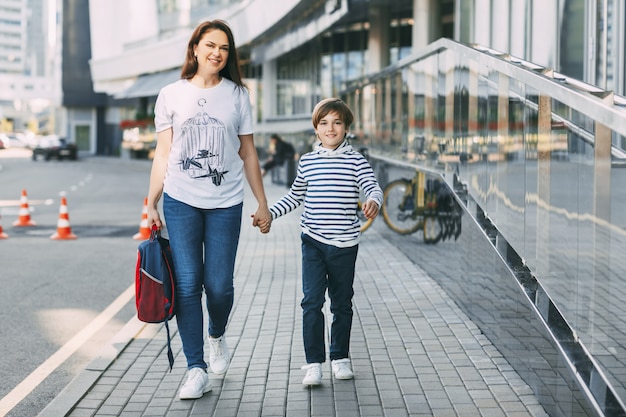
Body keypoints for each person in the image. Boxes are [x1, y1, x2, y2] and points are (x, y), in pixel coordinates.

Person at [146, 19, 271, 400]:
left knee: (218, 287)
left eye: (224, 48)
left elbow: (247, 152)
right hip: (181, 200)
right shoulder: (170, 94)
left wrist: (262, 202)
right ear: (195, 48)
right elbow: (164, 153)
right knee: (187, 285)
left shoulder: (237, 95)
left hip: (226, 203)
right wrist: (151, 200)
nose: (217, 53)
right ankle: (195, 368)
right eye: (211, 45)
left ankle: (216, 334)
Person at [255, 98, 383, 385]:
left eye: (337, 122)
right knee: (311, 302)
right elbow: (295, 195)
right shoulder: (308, 162)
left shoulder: (356, 161)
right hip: (312, 241)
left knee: (341, 303)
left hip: (344, 245)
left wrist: (373, 200)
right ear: (316, 129)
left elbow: (372, 187)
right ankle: (313, 363)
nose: (330, 128)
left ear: (347, 128)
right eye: (324, 123)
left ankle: (340, 357)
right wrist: (270, 214)